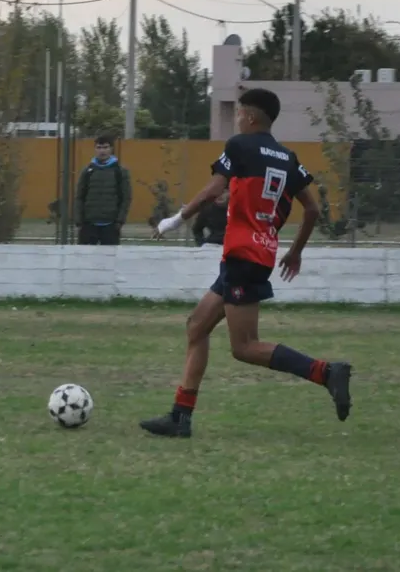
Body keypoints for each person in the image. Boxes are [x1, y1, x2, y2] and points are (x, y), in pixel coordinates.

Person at [140, 88, 353, 438]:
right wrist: (295, 250)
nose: (236, 118)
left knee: (245, 347)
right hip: (257, 253)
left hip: (243, 255)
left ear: (250, 117)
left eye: (238, 112)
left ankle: (326, 372)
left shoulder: (240, 145)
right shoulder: (287, 157)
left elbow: (212, 190)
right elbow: (313, 209)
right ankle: (181, 416)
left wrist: (175, 220)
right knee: (197, 326)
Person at [74, 134, 132, 246]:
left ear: (111, 149)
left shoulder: (120, 171)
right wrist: (79, 221)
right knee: (84, 259)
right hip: (88, 224)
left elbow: (126, 198)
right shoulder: (87, 171)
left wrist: (119, 221)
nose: (102, 151)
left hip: (111, 225)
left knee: (110, 260)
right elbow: (79, 197)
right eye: (99, 147)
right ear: (95, 149)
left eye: (105, 147)